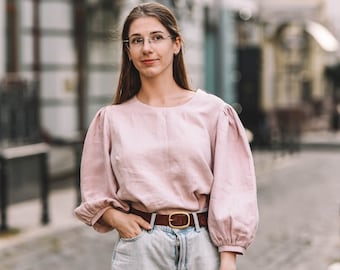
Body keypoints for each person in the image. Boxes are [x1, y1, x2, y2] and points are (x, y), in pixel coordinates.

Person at [74, 2, 258, 270]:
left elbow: (234, 186)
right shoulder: (111, 119)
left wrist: (228, 258)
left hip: (203, 246)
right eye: (137, 40)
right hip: (141, 248)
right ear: (128, 50)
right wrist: (116, 218)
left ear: (177, 44)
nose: (147, 48)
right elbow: (94, 188)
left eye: (157, 37)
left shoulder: (215, 113)